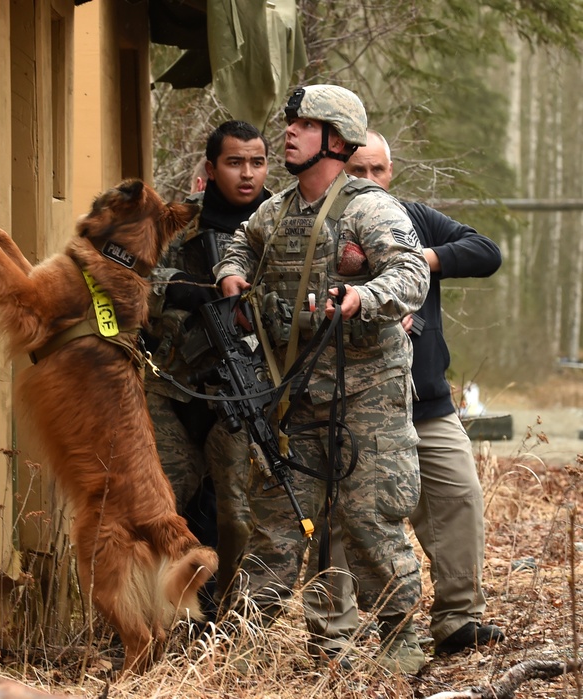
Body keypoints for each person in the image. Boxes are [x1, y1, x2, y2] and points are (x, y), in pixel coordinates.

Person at [214, 84, 431, 673]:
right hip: (297, 399)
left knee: (370, 520)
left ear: (335, 140)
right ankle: (241, 653)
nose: (288, 132)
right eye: (290, 123)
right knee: (277, 526)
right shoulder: (278, 209)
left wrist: (365, 294)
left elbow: (412, 274)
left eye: (303, 124)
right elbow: (239, 243)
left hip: (367, 398)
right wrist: (233, 275)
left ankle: (401, 642)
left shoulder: (370, 208)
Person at [303, 130, 505, 657]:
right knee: (343, 515)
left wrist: (416, 260)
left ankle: (458, 618)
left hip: (427, 403)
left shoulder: (412, 217)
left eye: (380, 171)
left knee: (459, 498)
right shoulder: (320, 223)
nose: (370, 181)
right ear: (341, 165)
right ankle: (335, 634)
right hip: (349, 404)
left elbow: (486, 252)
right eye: (360, 170)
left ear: (392, 171)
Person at [145, 120, 271, 605]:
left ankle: (223, 614)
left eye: (257, 163)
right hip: (172, 389)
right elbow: (125, 272)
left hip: (243, 392)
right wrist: (183, 288)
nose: (246, 174)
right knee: (162, 509)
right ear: (210, 168)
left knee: (236, 514)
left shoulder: (280, 224)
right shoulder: (176, 220)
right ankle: (156, 613)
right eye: (234, 162)